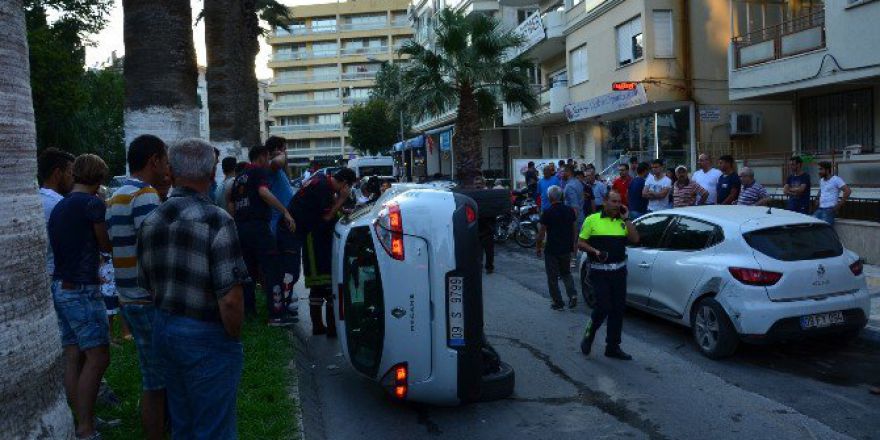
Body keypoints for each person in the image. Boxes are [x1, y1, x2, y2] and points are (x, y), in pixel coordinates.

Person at [139, 138, 248, 439]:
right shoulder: (217, 220)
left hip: (165, 327)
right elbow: (230, 299)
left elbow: (146, 283)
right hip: (206, 334)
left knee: (183, 422)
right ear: (212, 174)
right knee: (214, 428)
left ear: (170, 173)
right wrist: (232, 337)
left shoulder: (152, 220)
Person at [105, 134, 169, 439]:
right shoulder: (145, 195)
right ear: (154, 160)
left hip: (128, 296)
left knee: (153, 376)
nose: (168, 169)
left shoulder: (117, 194)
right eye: (165, 161)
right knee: (156, 382)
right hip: (146, 298)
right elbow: (153, 248)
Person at [48, 154, 112, 440]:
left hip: (61, 285)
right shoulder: (92, 204)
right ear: (99, 178)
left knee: (73, 355)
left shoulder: (60, 205)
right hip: (82, 290)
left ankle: (82, 422)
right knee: (97, 356)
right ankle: (86, 429)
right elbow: (104, 242)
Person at [229, 144, 295, 326]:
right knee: (272, 270)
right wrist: (285, 212)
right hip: (259, 227)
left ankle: (249, 314)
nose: (268, 162)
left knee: (248, 273)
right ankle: (276, 315)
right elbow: (263, 192)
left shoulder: (239, 177)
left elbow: (232, 203)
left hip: (241, 229)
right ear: (262, 157)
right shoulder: (258, 172)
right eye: (267, 158)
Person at [290, 167, 356, 336]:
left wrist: (340, 209)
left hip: (316, 236)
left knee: (321, 286)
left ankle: (322, 327)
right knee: (324, 284)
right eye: (348, 188)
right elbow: (326, 217)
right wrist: (341, 199)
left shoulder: (321, 179)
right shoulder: (324, 189)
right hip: (315, 239)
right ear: (344, 184)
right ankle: (325, 327)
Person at [577, 190, 639, 360]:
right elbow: (580, 243)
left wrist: (626, 218)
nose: (617, 204)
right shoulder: (592, 220)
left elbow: (635, 239)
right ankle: (589, 335)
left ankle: (612, 346)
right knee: (603, 307)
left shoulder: (622, 222)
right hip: (599, 271)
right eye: (613, 201)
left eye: (619, 201)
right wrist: (594, 250)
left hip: (619, 272)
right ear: (605, 201)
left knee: (618, 310)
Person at [266, 137, 301, 323]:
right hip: (280, 226)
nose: (286, 153)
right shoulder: (271, 165)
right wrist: (281, 156)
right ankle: (280, 311)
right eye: (284, 149)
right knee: (286, 270)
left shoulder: (279, 170)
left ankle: (285, 306)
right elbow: (277, 162)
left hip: (285, 225)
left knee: (289, 271)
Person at [536, 186, 578, 310]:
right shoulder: (570, 210)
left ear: (550, 197)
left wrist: (538, 247)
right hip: (566, 247)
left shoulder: (547, 212)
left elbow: (542, 233)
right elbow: (574, 229)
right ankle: (573, 294)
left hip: (552, 249)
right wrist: (573, 244)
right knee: (566, 273)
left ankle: (558, 302)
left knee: (552, 277)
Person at [38, 148, 75, 275]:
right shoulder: (60, 204)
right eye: (70, 173)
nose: (73, 179)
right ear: (58, 174)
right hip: (57, 275)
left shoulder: (35, 200)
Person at [815, 161, 851, 225]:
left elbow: (848, 191)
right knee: (812, 225)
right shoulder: (821, 180)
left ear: (827, 170)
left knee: (825, 229)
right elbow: (821, 190)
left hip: (829, 209)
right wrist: (817, 198)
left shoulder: (836, 179)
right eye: (819, 169)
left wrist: (839, 205)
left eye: (821, 169)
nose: (819, 172)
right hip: (820, 208)